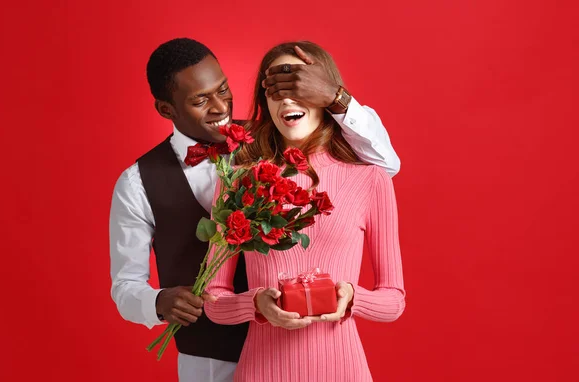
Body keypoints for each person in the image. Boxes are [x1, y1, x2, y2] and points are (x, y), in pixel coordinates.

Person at [109, 38, 401, 382]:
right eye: (201, 100)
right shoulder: (137, 182)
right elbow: (126, 283)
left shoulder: (273, 137)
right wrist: (157, 302)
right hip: (210, 358)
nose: (220, 108)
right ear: (166, 109)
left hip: (316, 355)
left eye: (223, 90)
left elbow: (382, 164)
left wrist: (336, 96)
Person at [204, 41, 406, 382]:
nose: (286, 100)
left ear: (323, 94)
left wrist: (351, 297)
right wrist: (256, 304)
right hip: (261, 372)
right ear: (264, 103)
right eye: (274, 91)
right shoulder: (239, 180)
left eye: (298, 86)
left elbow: (394, 300)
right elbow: (213, 298)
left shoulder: (370, 179)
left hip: (344, 371)